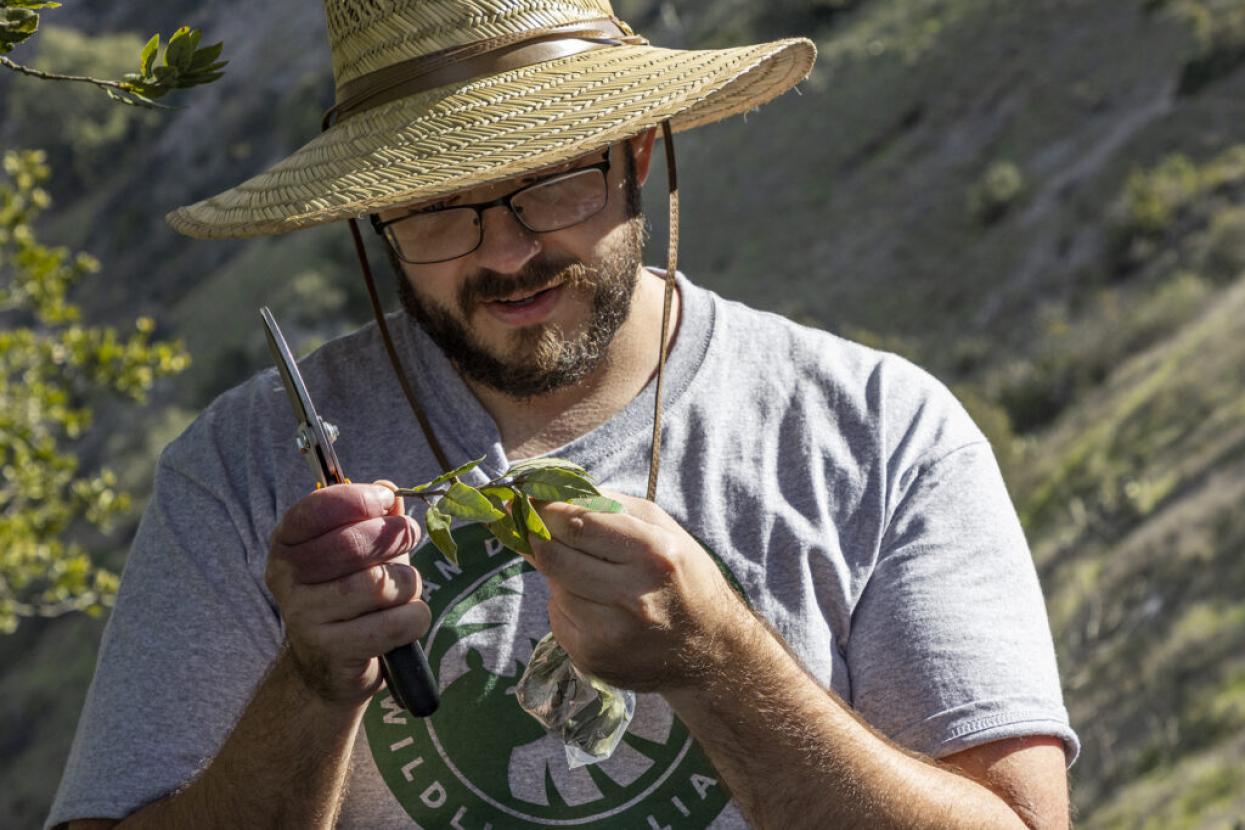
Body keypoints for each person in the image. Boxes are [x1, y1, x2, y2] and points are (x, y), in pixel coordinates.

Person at [48, 1, 1079, 828]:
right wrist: (312, 685)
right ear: (372, 216)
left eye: (550, 182)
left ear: (636, 151)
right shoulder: (241, 469)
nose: (503, 250)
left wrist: (723, 660)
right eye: (436, 202)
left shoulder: (879, 431)